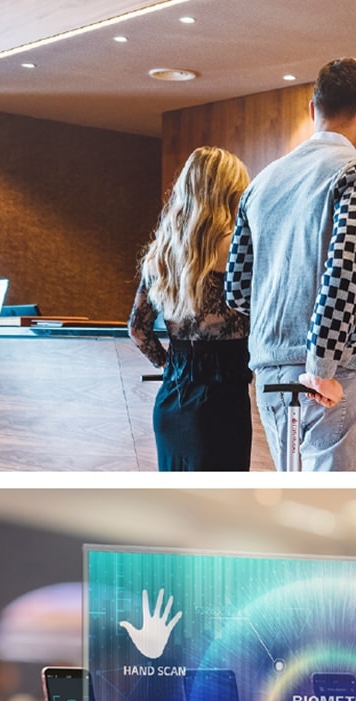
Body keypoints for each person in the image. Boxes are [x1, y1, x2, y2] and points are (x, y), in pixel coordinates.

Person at [225, 58, 356, 471]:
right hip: (333, 374)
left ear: (312, 109)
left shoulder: (261, 182)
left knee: (296, 500)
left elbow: (239, 291)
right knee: (335, 503)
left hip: (270, 372)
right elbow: (344, 270)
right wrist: (320, 367)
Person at [128, 146, 253, 471]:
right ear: (231, 191)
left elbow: (137, 330)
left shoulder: (163, 250)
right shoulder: (238, 245)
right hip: (222, 400)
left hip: (172, 396)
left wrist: (170, 364)